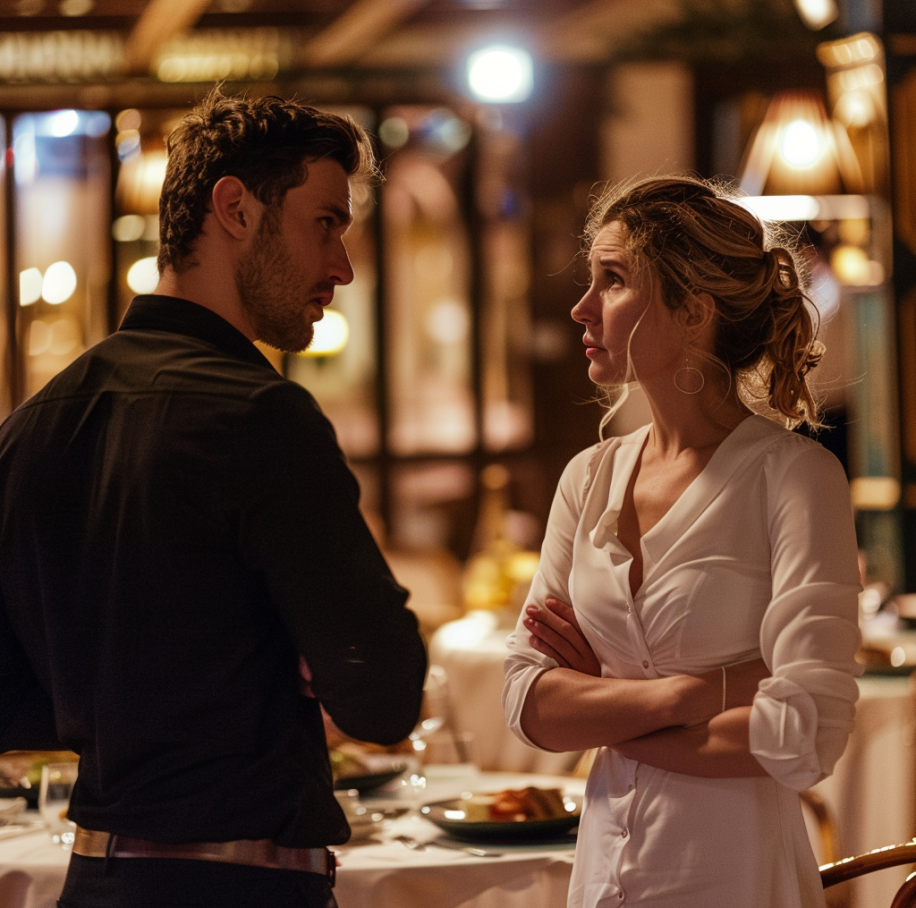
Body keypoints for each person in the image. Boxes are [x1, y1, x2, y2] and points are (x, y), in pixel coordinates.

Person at [0, 91, 427, 908]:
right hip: (240, 883)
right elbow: (383, 694)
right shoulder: (259, 413)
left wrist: (123, 690)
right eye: (326, 224)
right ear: (234, 207)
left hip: (94, 881)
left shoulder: (36, 422)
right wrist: (280, 663)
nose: (341, 266)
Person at [502, 175, 861, 908]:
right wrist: (710, 688)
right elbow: (525, 701)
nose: (581, 307)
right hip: (602, 870)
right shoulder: (589, 476)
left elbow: (807, 733)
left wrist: (610, 713)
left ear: (693, 312)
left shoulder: (794, 478)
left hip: (732, 871)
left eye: (612, 280)